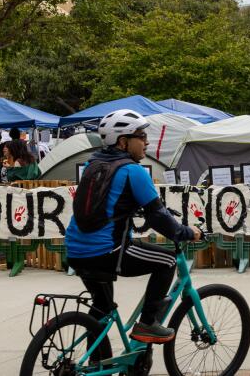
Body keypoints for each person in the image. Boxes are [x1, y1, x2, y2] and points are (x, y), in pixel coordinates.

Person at [65, 109, 202, 344]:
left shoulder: (92, 164)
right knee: (167, 261)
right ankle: (148, 324)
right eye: (141, 136)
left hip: (76, 251)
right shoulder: (133, 171)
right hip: (108, 251)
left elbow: (108, 203)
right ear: (123, 141)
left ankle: (94, 363)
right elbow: (157, 216)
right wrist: (186, 233)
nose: (146, 142)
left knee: (101, 308)